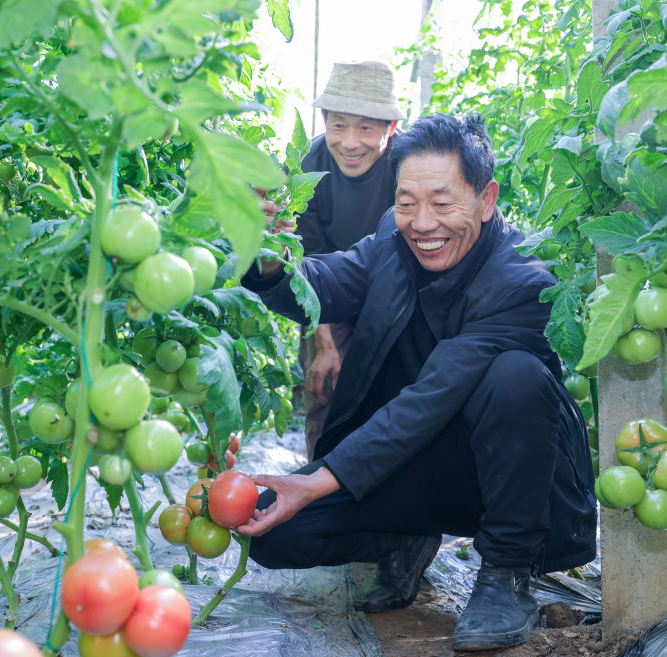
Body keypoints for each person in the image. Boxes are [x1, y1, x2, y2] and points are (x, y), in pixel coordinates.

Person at [239, 113, 596, 651]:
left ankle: (505, 572)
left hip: (494, 477)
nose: (422, 222)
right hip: (411, 461)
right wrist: (270, 258)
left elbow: (431, 400)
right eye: (406, 202)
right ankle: (404, 537)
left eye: (442, 202)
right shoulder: (393, 238)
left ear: (486, 198)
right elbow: (326, 283)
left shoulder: (523, 283)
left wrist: (317, 480)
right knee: (278, 533)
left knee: (515, 377)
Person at [296, 60, 405, 459]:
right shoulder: (311, 166)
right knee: (326, 389)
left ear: (390, 129)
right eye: (339, 125)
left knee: (396, 393)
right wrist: (325, 344)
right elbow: (305, 264)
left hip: (396, 291)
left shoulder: (407, 165)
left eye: (366, 127)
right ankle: (319, 497)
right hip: (326, 292)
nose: (350, 141)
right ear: (324, 121)